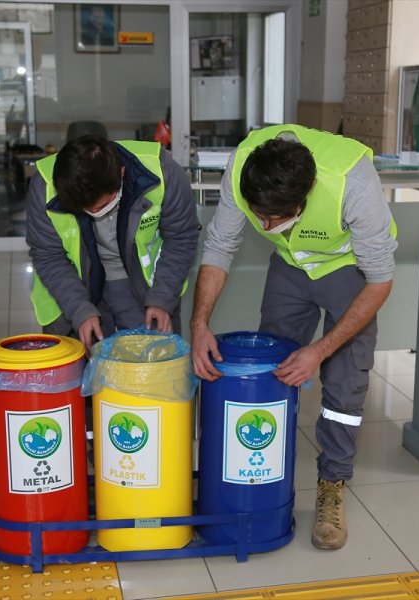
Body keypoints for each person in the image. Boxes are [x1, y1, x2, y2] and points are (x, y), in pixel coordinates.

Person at [190, 124, 397, 551]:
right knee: (271, 371)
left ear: (308, 192)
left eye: (275, 217)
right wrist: (199, 324)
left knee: (345, 381)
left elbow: (379, 281)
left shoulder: (352, 182)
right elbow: (220, 245)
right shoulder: (241, 168)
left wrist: (319, 351)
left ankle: (332, 484)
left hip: (350, 268)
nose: (263, 224)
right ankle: (264, 471)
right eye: (258, 215)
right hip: (289, 266)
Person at [26, 135, 199, 350]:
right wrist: (80, 310)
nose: (95, 213)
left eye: (103, 206)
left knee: (151, 360)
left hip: (142, 282)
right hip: (70, 284)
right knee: (75, 368)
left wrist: (162, 299)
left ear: (122, 174)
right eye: (86, 210)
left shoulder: (162, 171)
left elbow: (181, 238)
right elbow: (49, 256)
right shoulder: (44, 186)